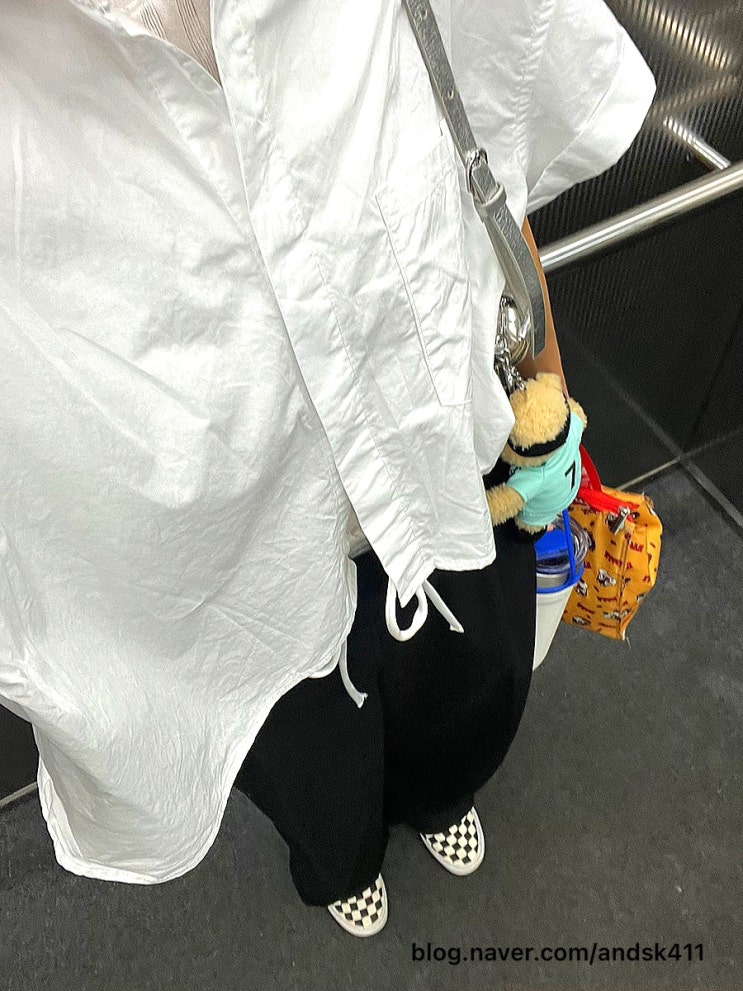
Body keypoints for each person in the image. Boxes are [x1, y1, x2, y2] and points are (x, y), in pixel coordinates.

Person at [0, 0, 655, 936]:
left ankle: (440, 791)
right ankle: (342, 859)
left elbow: (483, 137)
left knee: (471, 679)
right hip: (235, 552)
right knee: (307, 758)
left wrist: (544, 375)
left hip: (438, 444)